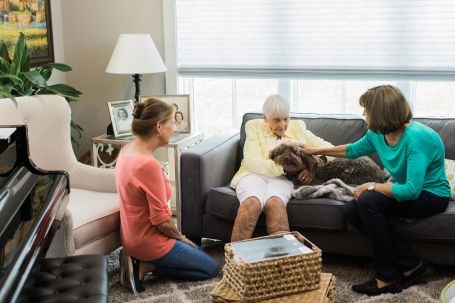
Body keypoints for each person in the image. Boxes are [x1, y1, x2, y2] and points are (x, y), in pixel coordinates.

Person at [301, 85, 450, 296]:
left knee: (368, 199)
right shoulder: (377, 134)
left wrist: (372, 186)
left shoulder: (417, 138)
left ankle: (386, 278)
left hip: (431, 195)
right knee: (350, 210)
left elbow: (411, 191)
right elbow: (352, 149)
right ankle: (412, 265)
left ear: (381, 112)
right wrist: (316, 150)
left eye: (366, 109)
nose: (363, 114)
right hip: (406, 191)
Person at [115, 98, 219, 294]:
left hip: (130, 236)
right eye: (171, 122)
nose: (174, 127)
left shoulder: (127, 149)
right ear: (158, 127)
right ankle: (146, 266)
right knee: (210, 268)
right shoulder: (148, 165)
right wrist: (181, 238)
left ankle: (138, 259)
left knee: (195, 249)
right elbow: (161, 221)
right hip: (149, 241)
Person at [230, 94, 333, 242]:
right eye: (276, 120)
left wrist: (313, 167)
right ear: (265, 118)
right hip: (253, 174)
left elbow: (329, 149)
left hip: (283, 180)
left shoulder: (298, 127)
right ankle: (235, 260)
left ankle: (282, 262)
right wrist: (287, 168)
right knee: (251, 202)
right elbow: (252, 161)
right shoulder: (254, 126)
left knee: (275, 203)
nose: (282, 125)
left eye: (286, 119)